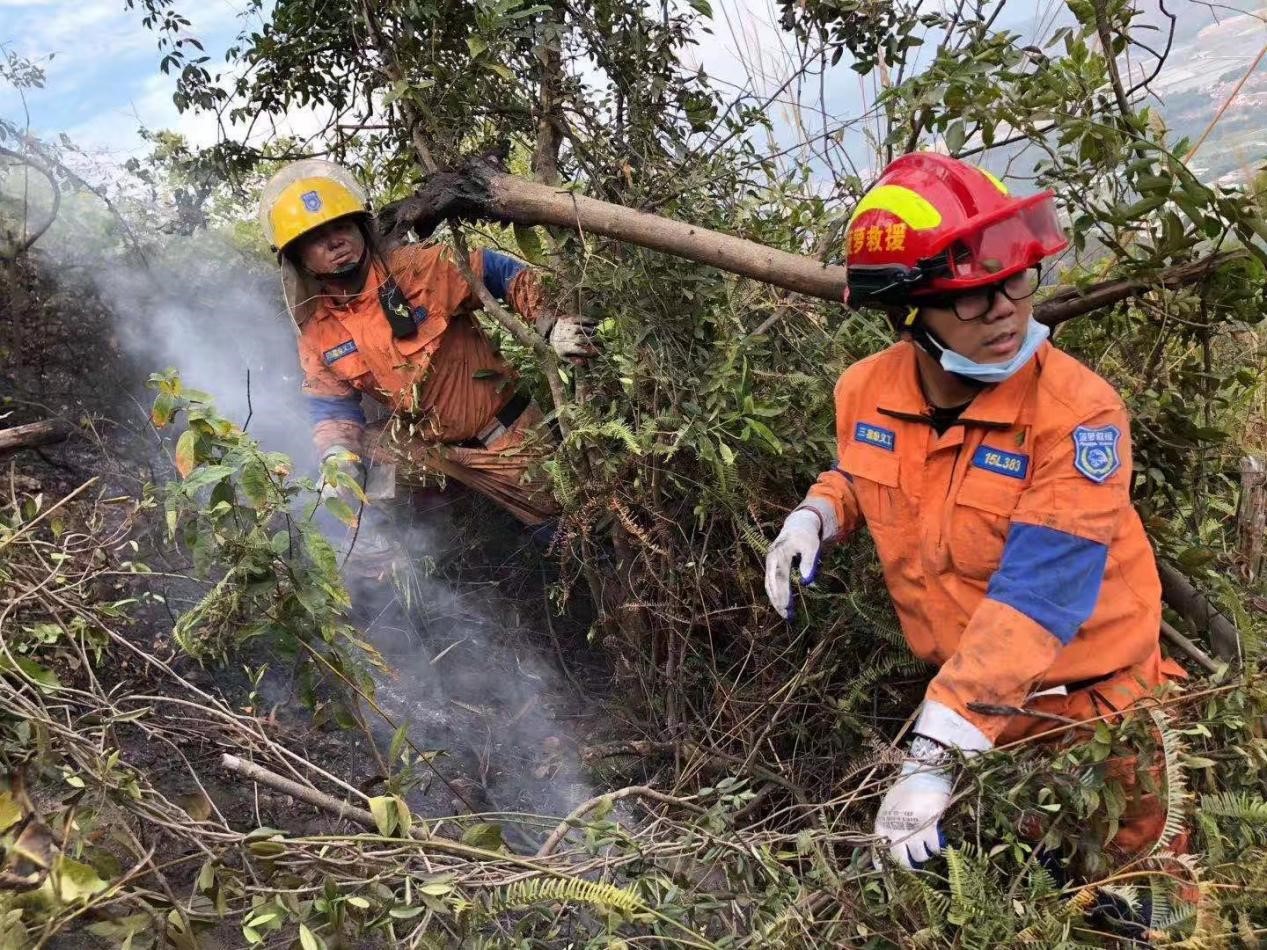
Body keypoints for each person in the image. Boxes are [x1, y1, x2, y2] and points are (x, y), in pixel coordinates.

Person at [763, 153, 1185, 870]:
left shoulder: (1077, 415)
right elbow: (867, 471)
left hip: (1094, 718)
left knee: (1131, 891)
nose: (1003, 310)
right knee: (1022, 891)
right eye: (970, 295)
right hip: (983, 716)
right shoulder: (865, 389)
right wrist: (815, 516)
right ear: (907, 311)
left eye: (1012, 280)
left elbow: (1038, 597)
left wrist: (930, 758)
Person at [258, 159, 594, 537]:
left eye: (341, 226)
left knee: (565, 531)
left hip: (504, 438)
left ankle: (548, 548)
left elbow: (494, 270)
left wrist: (551, 323)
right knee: (353, 459)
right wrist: (337, 458)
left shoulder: (418, 270)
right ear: (299, 258)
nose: (335, 241)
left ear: (361, 228)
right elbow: (332, 405)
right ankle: (414, 548)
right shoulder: (319, 331)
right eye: (317, 237)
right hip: (431, 450)